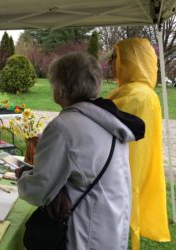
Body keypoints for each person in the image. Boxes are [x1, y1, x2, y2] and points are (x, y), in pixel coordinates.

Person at [16, 52, 145, 250]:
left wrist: (22, 176)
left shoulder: (64, 127)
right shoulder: (108, 120)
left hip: (82, 232)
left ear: (61, 88)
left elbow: (40, 190)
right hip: (110, 224)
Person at [108, 38, 171, 249]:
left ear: (132, 60)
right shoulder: (134, 91)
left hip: (121, 170)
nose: (111, 63)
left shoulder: (138, 95)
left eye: (116, 57)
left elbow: (106, 126)